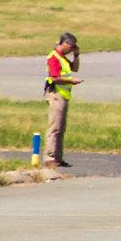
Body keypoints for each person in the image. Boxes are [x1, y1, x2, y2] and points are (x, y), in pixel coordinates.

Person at [42, 32, 81, 167]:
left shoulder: (63, 58)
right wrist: (71, 81)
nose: (72, 49)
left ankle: (58, 157)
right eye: (71, 46)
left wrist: (76, 55)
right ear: (64, 43)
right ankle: (49, 158)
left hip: (63, 96)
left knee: (61, 128)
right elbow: (54, 77)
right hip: (56, 95)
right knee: (54, 127)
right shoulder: (54, 57)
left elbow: (75, 68)